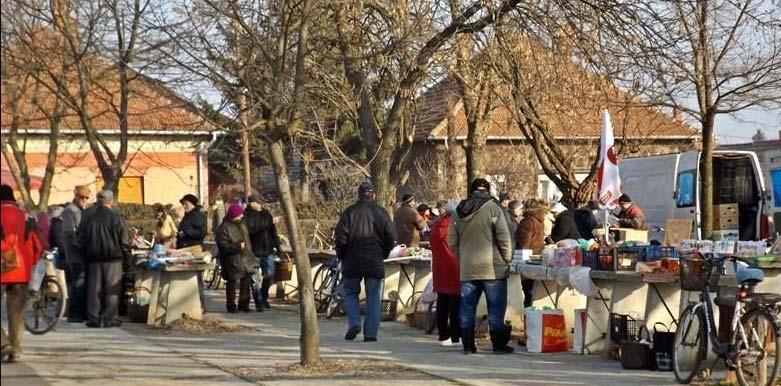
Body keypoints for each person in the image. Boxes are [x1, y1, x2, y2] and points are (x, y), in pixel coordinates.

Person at [448, 178, 513, 354]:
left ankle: (468, 345)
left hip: (468, 269)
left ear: (471, 190)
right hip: (493, 269)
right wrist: (507, 259)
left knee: (467, 308)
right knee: (495, 309)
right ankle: (498, 345)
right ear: (488, 190)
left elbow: (451, 242)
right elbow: (504, 237)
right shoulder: (494, 207)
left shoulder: (457, 211)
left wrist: (462, 258)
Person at [334, 181, 395, 342]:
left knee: (350, 293)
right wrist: (384, 253)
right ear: (373, 195)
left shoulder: (349, 212)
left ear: (359, 195)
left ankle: (354, 322)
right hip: (374, 259)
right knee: (373, 297)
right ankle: (371, 334)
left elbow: (340, 238)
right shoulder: (382, 213)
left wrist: (341, 255)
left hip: (352, 260)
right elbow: (391, 237)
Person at [1, 184, 43, 362]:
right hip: (22, 271)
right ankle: (15, 350)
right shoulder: (27, 217)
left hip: (2, 268)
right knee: (16, 312)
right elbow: (38, 245)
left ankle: (3, 343)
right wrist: (29, 263)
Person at [78, 190, 131, 328]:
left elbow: (81, 239)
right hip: (113, 258)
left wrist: (84, 256)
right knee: (111, 290)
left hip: (93, 258)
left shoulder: (88, 217)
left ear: (98, 200)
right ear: (111, 201)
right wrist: (128, 261)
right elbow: (124, 242)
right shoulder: (116, 217)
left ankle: (93, 318)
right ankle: (110, 318)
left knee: (94, 289)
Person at [429, 200, 461, 347]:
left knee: (442, 302)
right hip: (454, 266)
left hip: (439, 267)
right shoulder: (455, 226)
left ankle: (443, 334)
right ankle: (455, 335)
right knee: (456, 303)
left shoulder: (435, 225)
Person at [216, 204, 255, 313]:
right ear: (234, 215)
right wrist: (237, 247)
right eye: (240, 214)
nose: (242, 215)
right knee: (232, 283)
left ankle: (244, 305)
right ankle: (231, 305)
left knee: (246, 282)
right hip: (232, 260)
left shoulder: (242, 224)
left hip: (245, 258)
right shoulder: (224, 228)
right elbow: (223, 245)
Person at [244, 195, 280, 312]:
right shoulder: (247, 215)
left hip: (267, 250)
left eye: (259, 203)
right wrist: (269, 222)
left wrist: (278, 247)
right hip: (253, 251)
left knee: (270, 274)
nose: (258, 205)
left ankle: (264, 297)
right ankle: (258, 302)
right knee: (255, 280)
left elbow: (273, 231)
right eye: (256, 203)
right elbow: (252, 229)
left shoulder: (266, 213)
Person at [61, 185, 90, 323]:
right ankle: (74, 314)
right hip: (74, 254)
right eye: (82, 197)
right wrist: (80, 244)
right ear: (76, 196)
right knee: (77, 283)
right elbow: (68, 234)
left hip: (82, 254)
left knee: (81, 284)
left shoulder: (83, 210)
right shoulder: (69, 211)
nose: (84, 200)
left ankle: (81, 313)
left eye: (86, 197)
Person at [176, 194, 207, 312]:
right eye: (183, 204)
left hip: (194, 250)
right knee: (187, 280)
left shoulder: (198, 216)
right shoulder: (187, 216)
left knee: (196, 279)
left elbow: (202, 233)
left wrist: (187, 232)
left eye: (186, 204)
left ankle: (200, 305)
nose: (184, 206)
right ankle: (188, 305)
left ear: (192, 204)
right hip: (184, 250)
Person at [516, 199, 546, 312]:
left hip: (527, 258)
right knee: (532, 291)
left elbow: (525, 242)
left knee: (527, 292)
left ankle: (528, 318)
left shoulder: (527, 221)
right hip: (537, 256)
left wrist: (520, 263)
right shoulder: (539, 220)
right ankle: (532, 316)